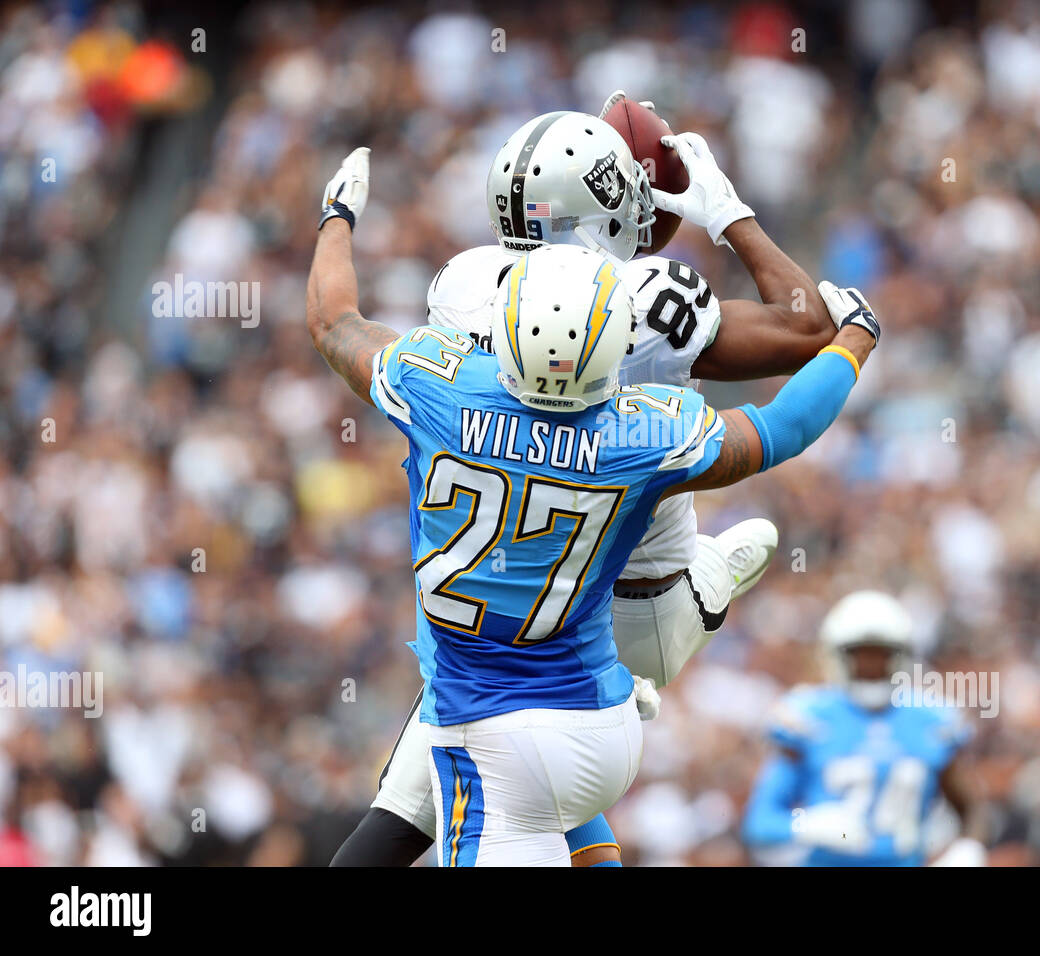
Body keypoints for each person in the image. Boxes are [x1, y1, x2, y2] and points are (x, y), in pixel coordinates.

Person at [305, 146, 880, 865]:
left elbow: (334, 322)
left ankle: (703, 583)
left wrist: (337, 218)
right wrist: (856, 338)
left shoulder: (436, 384)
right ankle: (704, 584)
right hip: (602, 718)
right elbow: (783, 426)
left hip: (489, 724)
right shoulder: (641, 429)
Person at [742, 591, 987, 866]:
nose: (871, 665)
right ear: (838, 656)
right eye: (861, 655)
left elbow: (970, 806)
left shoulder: (931, 722)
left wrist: (968, 847)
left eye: (881, 655)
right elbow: (759, 823)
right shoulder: (808, 719)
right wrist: (807, 826)